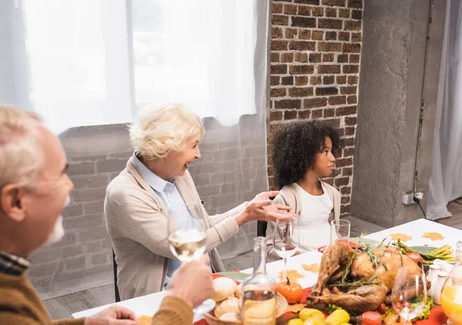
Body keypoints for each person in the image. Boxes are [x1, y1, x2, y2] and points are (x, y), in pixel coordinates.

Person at [0, 105, 215, 325]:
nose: (70, 186)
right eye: (61, 175)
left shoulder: (6, 278)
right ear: (15, 201)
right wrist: (180, 301)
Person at [105, 103, 293, 300]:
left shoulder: (178, 175)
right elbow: (183, 248)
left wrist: (248, 208)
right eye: (193, 145)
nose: (198, 154)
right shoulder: (124, 194)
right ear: (168, 147)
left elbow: (204, 225)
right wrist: (243, 217)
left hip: (205, 287)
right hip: (158, 301)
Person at [267, 121, 342, 258]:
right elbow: (271, 246)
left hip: (330, 263)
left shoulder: (333, 195)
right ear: (306, 156)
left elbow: (335, 233)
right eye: (325, 152)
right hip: (302, 267)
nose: (332, 158)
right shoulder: (286, 198)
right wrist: (296, 256)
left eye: (331, 151)